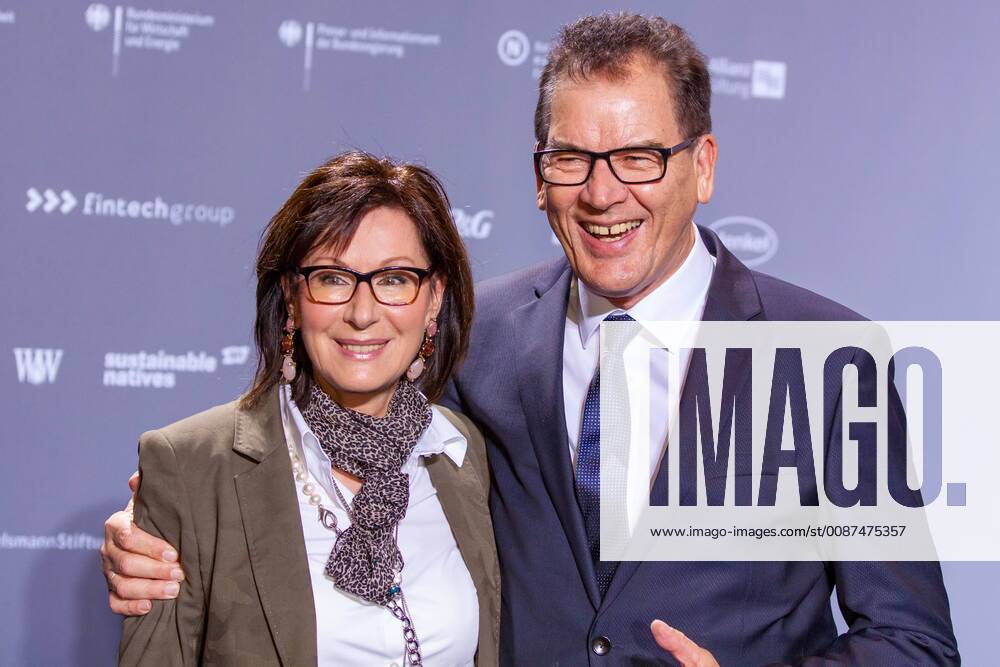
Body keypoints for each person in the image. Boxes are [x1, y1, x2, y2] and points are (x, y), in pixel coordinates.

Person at [103, 13, 958, 666]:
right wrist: (163, 533)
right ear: (538, 177)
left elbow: (914, 641)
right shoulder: (484, 338)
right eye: (570, 159)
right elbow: (342, 435)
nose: (601, 192)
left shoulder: (828, 358)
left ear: (702, 166)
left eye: (638, 157)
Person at [113, 151, 499, 666]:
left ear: (433, 298)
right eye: (333, 278)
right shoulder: (193, 467)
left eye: (394, 279)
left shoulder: (459, 450)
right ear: (292, 297)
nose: (363, 313)